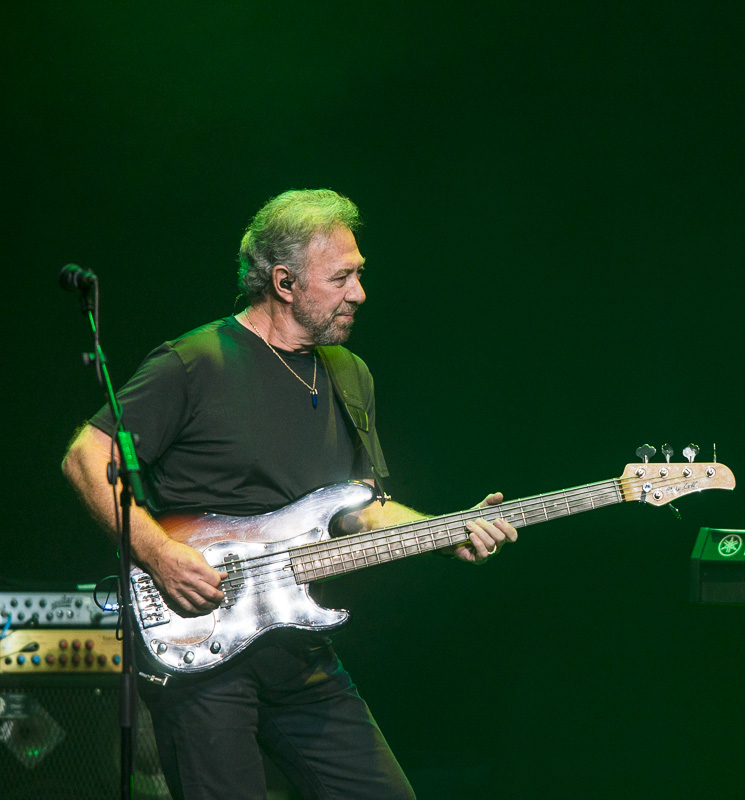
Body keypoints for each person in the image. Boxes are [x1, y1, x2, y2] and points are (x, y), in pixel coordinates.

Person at [61, 188, 516, 799]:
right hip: (200, 644)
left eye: (359, 274)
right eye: (342, 278)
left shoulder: (350, 374)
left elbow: (360, 511)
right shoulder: (195, 362)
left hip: (299, 648)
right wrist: (159, 554)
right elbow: (86, 456)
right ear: (284, 282)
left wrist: (444, 531)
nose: (359, 293)